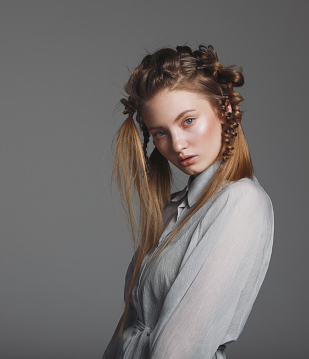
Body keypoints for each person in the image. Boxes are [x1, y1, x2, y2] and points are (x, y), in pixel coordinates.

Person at [103, 45, 274, 359]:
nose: (177, 145)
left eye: (188, 121)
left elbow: (180, 347)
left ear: (226, 111)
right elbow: (128, 327)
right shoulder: (174, 209)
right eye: (160, 132)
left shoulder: (242, 202)